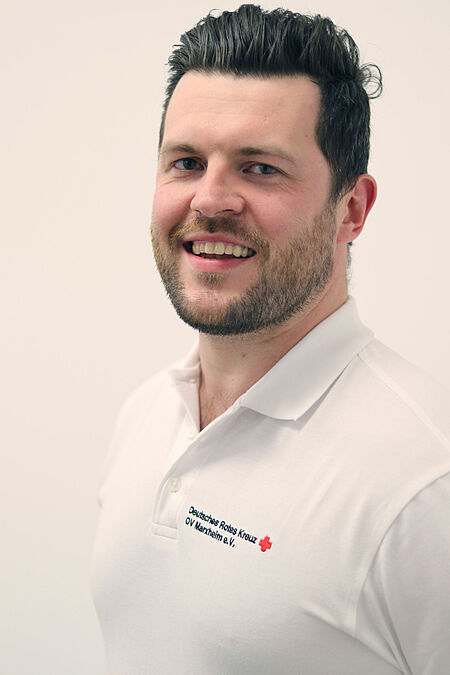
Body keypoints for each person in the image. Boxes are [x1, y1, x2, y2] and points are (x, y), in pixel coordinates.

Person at [91, 5, 450, 673]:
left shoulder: (424, 486)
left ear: (352, 209)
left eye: (259, 168)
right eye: (187, 162)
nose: (209, 199)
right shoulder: (144, 415)